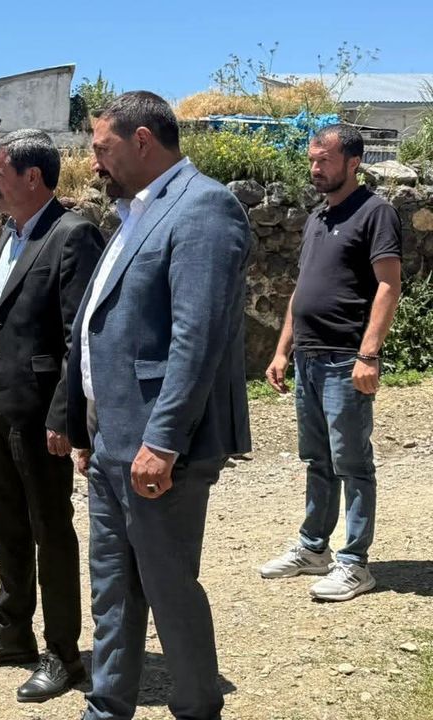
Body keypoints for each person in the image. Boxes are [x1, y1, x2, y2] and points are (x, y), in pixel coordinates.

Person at [67, 92, 251, 720]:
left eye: (102, 147)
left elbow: (197, 337)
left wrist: (164, 440)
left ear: (142, 140)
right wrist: (85, 423)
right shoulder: (134, 213)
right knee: (112, 588)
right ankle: (107, 707)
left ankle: (198, 708)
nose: (94, 162)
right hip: (112, 437)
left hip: (158, 445)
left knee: (168, 589)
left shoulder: (204, 208)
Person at [0, 130, 105, 702]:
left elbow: (78, 336)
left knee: (50, 529)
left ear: (32, 177)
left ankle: (63, 653)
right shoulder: (12, 233)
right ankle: (12, 631)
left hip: (42, 414)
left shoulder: (72, 234)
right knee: (6, 525)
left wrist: (65, 415)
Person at [259, 124, 402, 601]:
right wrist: (283, 349)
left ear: (353, 162)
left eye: (325, 160)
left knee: (352, 463)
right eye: (312, 160)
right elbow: (302, 289)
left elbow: (389, 285)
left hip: (346, 360)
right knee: (316, 459)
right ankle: (313, 548)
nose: (315, 168)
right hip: (309, 359)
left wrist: (369, 354)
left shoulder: (376, 213)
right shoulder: (318, 216)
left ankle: (355, 562)